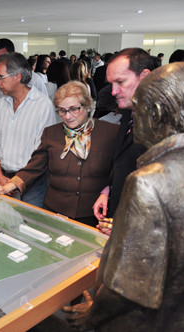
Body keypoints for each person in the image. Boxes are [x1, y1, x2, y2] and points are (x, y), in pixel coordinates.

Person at [63, 62, 184, 332]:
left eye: (138, 107)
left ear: (156, 112)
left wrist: (94, 313)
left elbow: (129, 285)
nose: (132, 114)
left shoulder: (148, 182)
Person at [0, 81, 118, 226]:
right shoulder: (51, 133)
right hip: (56, 212)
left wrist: (107, 191)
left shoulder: (110, 133)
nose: (67, 116)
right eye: (62, 110)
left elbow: (119, 171)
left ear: (87, 106)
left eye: (74, 109)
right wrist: (6, 187)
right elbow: (35, 167)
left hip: (93, 216)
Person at [0, 52, 57, 208]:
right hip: (4, 178)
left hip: (33, 184)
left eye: (0, 78)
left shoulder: (42, 105)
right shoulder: (1, 104)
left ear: (17, 77)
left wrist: (15, 182)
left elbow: (41, 152)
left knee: (29, 228)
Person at [92, 48, 152, 221]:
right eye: (111, 83)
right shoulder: (128, 113)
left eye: (121, 82)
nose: (113, 91)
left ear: (145, 76)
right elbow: (123, 164)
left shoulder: (163, 124)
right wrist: (108, 191)